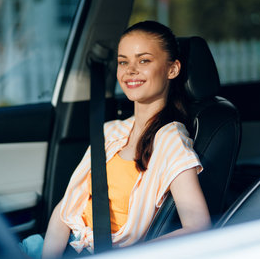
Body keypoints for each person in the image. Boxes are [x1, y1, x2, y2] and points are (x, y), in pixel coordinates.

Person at [21, 20, 211, 259]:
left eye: (143, 60)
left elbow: (197, 227)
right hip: (54, 246)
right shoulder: (111, 131)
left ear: (172, 69)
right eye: (123, 61)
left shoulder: (171, 140)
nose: (130, 70)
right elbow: (66, 208)